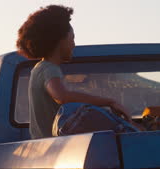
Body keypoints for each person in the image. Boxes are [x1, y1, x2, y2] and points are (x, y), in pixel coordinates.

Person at [16, 5, 131, 139]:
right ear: (59, 41)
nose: (74, 45)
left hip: (43, 146)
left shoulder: (39, 68)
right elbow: (62, 96)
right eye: (72, 39)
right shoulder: (49, 68)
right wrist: (109, 102)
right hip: (53, 147)